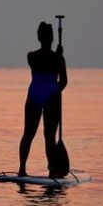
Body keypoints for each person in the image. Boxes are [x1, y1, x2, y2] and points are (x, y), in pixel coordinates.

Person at [18, 22, 68, 177]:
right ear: (52, 38)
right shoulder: (58, 59)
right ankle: (52, 170)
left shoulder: (31, 56)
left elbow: (43, 59)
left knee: (28, 134)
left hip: (34, 95)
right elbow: (64, 81)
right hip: (51, 96)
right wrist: (58, 56)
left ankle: (22, 169)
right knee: (49, 136)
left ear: (38, 37)